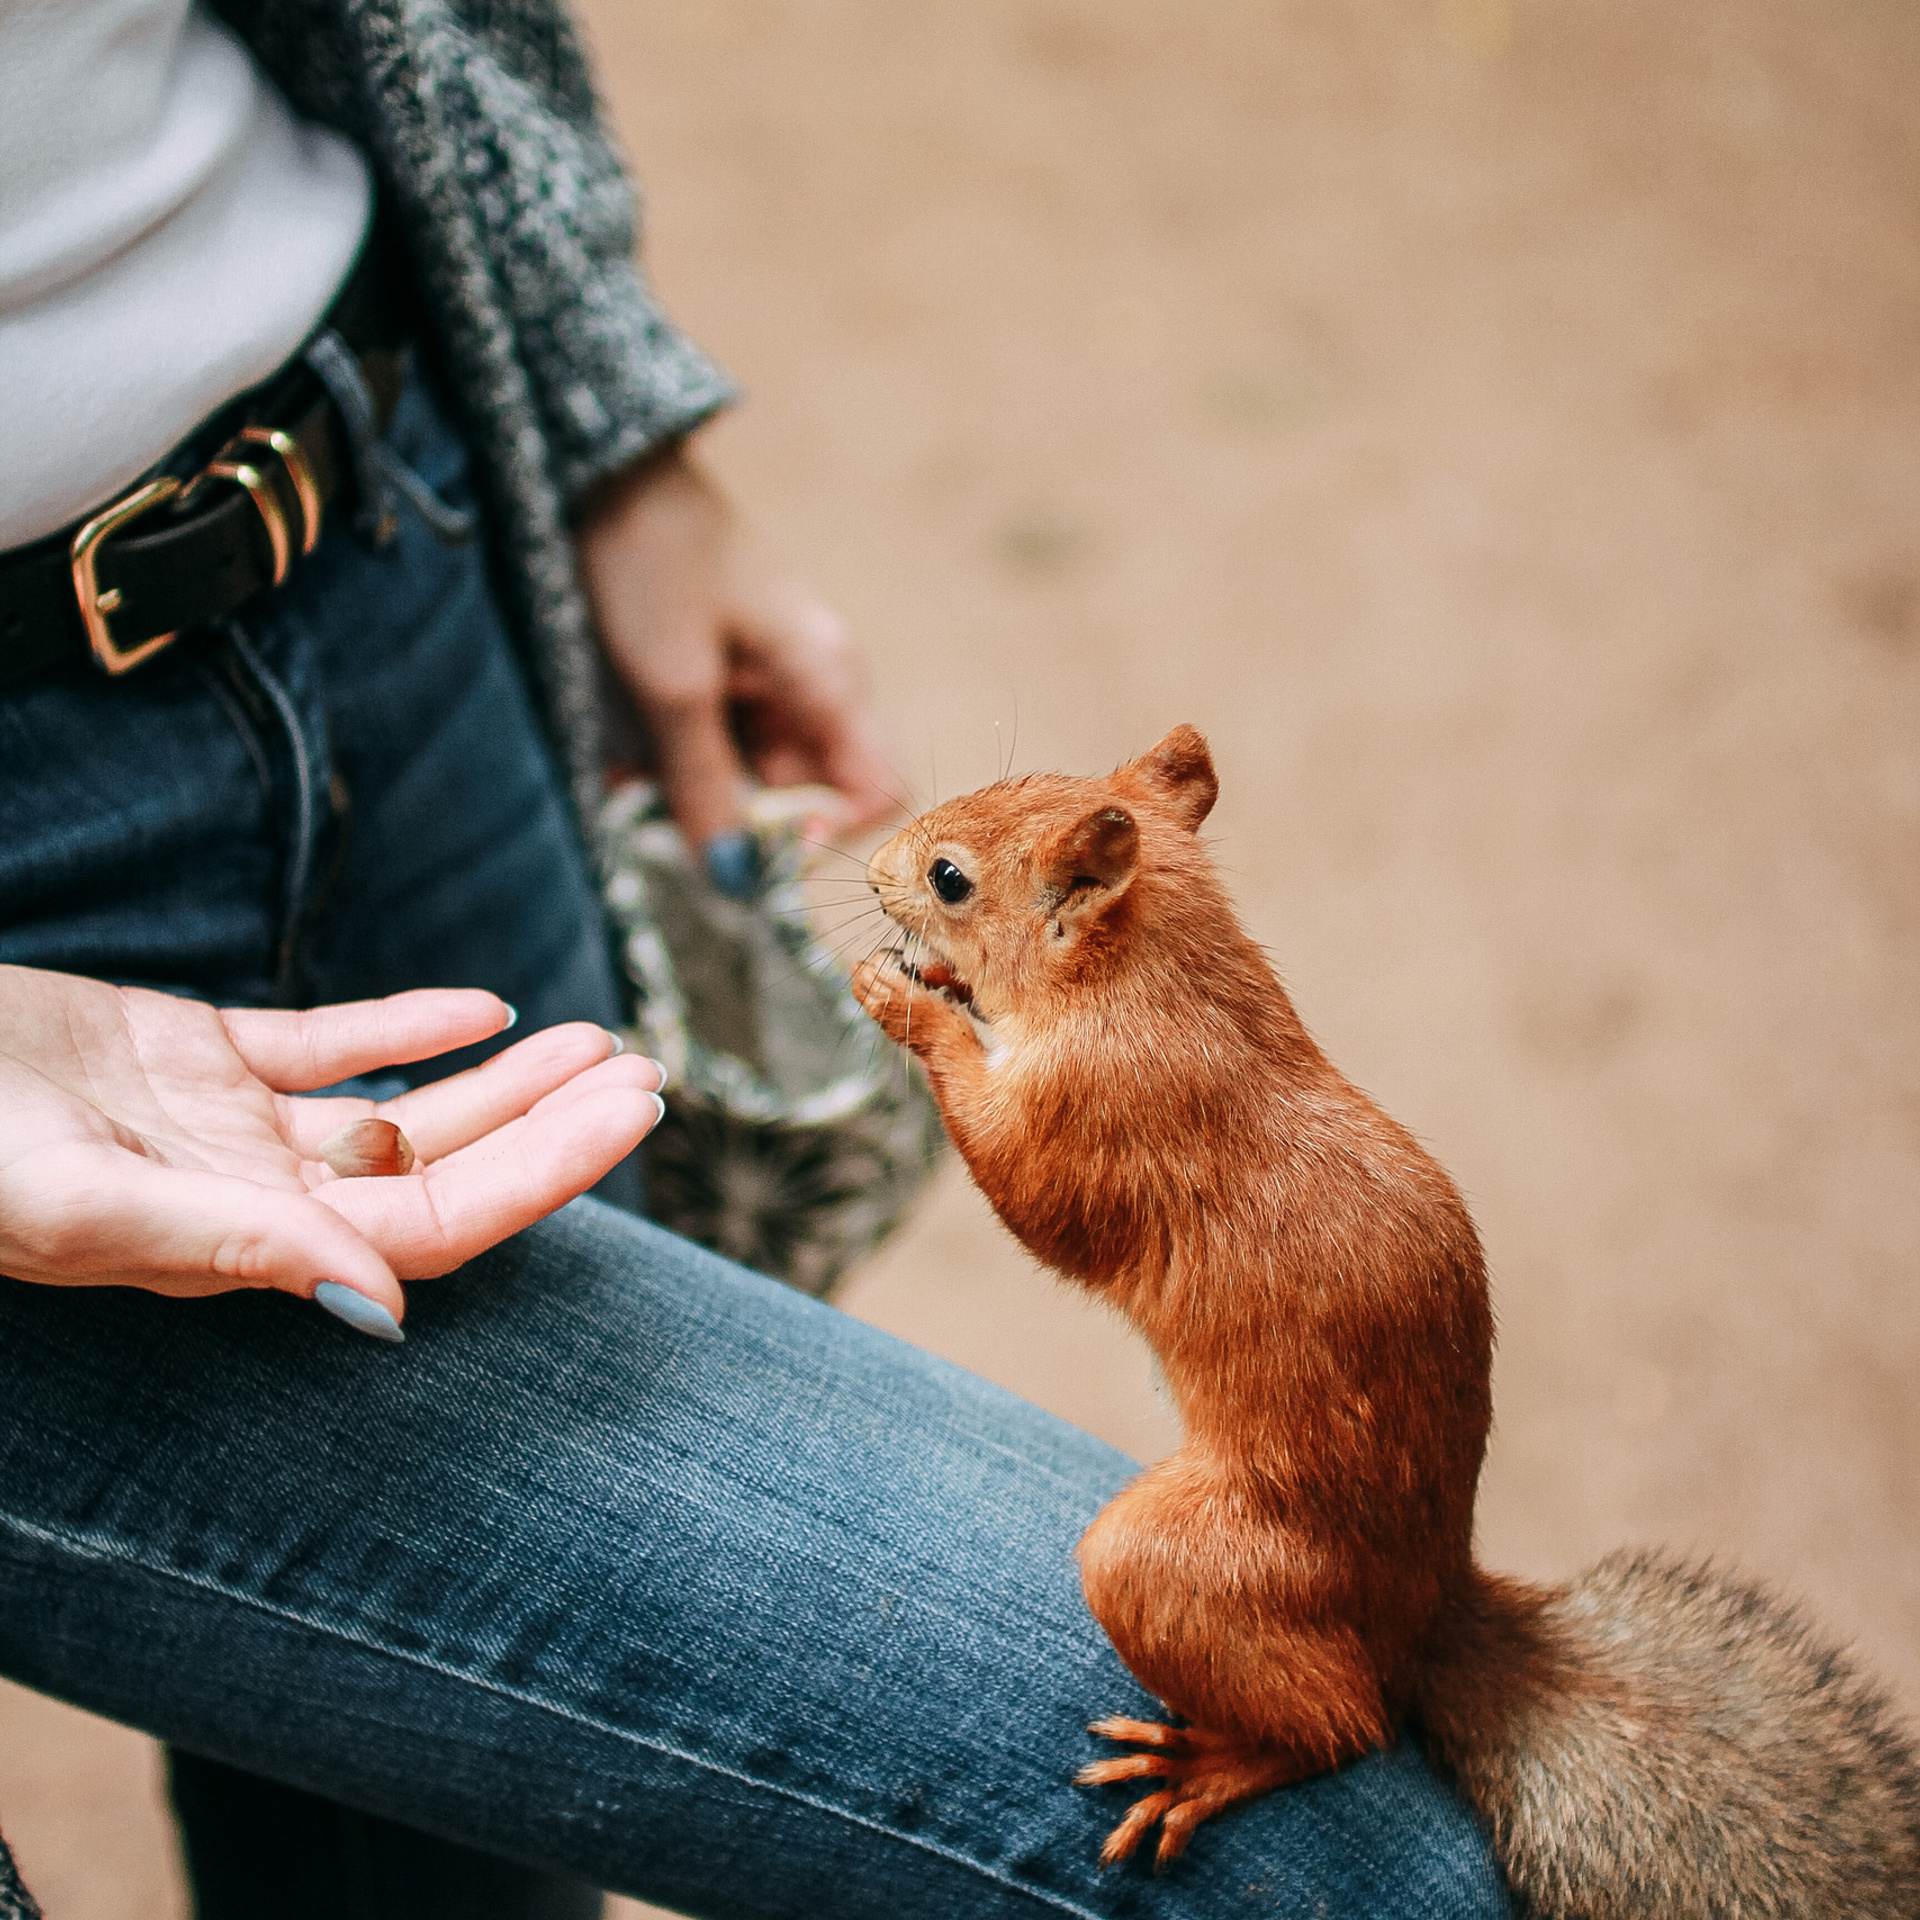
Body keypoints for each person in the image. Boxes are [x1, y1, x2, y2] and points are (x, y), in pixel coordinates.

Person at [0, 0, 1517, 1914]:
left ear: (1099, 894)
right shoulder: (1128, 1048)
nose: (905, 894)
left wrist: (613, 431)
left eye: (957, 893)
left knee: (455, 1835)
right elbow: (1062, 1205)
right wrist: (955, 1037)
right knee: (1351, 1882)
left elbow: (1070, 1207)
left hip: (382, 527)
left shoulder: (1139, 1065)